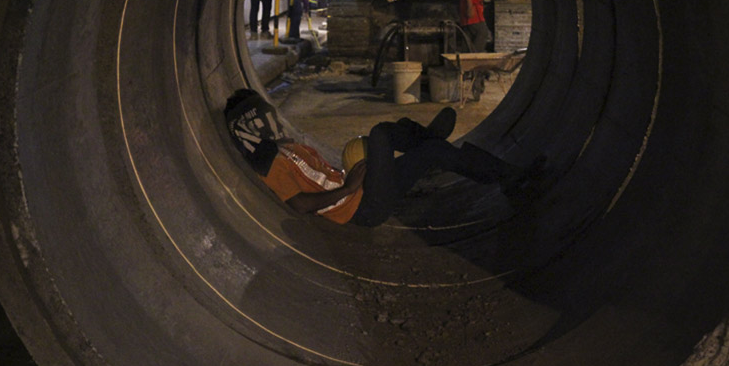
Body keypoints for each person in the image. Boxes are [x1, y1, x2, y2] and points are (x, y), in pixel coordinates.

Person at [225, 89, 543, 226]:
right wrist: (348, 189)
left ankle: (510, 177)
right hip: (363, 207)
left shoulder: (285, 147)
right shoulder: (269, 163)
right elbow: (298, 204)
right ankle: (425, 136)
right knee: (380, 133)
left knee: (432, 152)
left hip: (369, 192)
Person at [460, 0, 492, 101]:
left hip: (473, 16)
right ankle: (477, 86)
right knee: (477, 55)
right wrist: (470, 9)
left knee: (474, 52)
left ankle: (478, 83)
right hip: (474, 18)